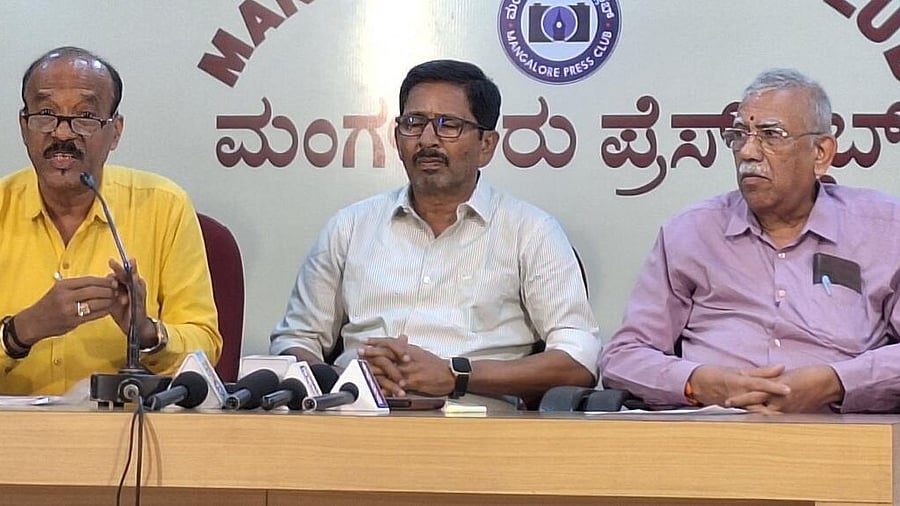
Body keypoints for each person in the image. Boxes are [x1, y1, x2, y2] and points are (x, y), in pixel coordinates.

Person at [270, 59, 600, 409]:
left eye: (449, 126)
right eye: (413, 123)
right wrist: (352, 378)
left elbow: (578, 361)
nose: (427, 140)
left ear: (486, 144)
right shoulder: (349, 226)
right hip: (356, 419)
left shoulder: (531, 232)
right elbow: (295, 340)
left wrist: (457, 375)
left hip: (481, 434)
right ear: (397, 137)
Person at [600, 68, 900, 414]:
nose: (748, 152)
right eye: (739, 135)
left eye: (771, 135)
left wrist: (835, 382)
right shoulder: (691, 232)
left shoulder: (884, 230)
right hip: (714, 434)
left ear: (821, 153)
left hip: (840, 438)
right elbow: (623, 356)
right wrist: (699, 382)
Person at [0, 46, 222, 395]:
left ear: (115, 131)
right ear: (24, 126)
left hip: (127, 434)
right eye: (45, 113)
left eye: (85, 116)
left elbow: (205, 348)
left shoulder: (163, 206)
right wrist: (19, 332)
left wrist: (146, 333)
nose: (62, 133)